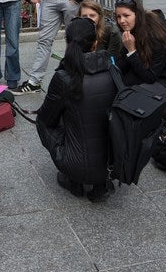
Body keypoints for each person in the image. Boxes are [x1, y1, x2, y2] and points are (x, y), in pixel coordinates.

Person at [36, 18, 118, 201]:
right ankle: (101, 183)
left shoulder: (64, 77)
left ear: (67, 43)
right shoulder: (113, 69)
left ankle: (74, 179)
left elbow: (46, 119)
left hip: (77, 165)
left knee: (43, 119)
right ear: (95, 43)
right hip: (115, 162)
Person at [115, 0, 166, 115]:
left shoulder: (154, 36)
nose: (121, 21)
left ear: (137, 15)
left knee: (132, 96)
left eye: (126, 16)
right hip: (157, 74)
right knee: (119, 84)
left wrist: (131, 50)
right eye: (118, 16)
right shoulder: (132, 31)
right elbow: (122, 64)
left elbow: (150, 77)